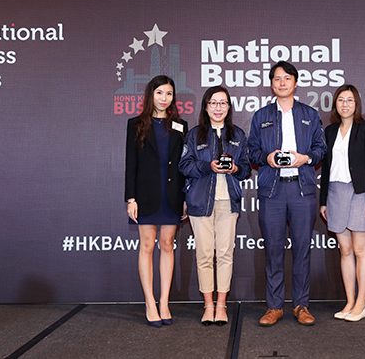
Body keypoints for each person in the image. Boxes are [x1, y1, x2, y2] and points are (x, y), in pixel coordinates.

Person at [247, 61, 327, 327]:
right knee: (273, 249)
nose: (282, 83)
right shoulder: (261, 115)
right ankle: (274, 306)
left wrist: (306, 157)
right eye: (277, 79)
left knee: (303, 248)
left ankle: (301, 305)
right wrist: (266, 158)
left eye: (287, 78)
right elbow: (252, 152)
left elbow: (320, 148)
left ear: (295, 83)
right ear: (272, 84)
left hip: (302, 188)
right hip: (272, 189)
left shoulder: (310, 114)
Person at [179, 86, 250, 326]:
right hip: (200, 202)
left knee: (225, 254)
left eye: (223, 103)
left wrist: (235, 169)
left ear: (229, 107)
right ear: (206, 107)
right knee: (205, 255)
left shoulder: (238, 134)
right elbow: (185, 166)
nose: (218, 108)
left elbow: (246, 168)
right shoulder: (194, 134)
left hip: (228, 202)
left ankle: (222, 305)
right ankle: (208, 305)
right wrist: (207, 166)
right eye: (214, 103)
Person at [125, 75, 187, 327]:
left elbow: (183, 165)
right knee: (147, 246)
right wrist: (131, 197)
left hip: (172, 196)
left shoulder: (180, 125)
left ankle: (164, 302)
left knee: (167, 245)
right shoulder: (136, 124)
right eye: (160, 93)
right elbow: (131, 164)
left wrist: (183, 197)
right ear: (151, 95)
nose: (164, 98)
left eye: (169, 94)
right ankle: (150, 302)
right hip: (146, 195)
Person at [319, 84, 365, 322]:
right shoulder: (330, 131)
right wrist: (323, 201)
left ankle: (361, 304)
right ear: (335, 104)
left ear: (357, 104)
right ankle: (350, 302)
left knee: (360, 250)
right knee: (345, 251)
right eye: (341, 100)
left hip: (360, 193)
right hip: (335, 193)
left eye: (350, 100)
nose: (345, 104)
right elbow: (325, 168)